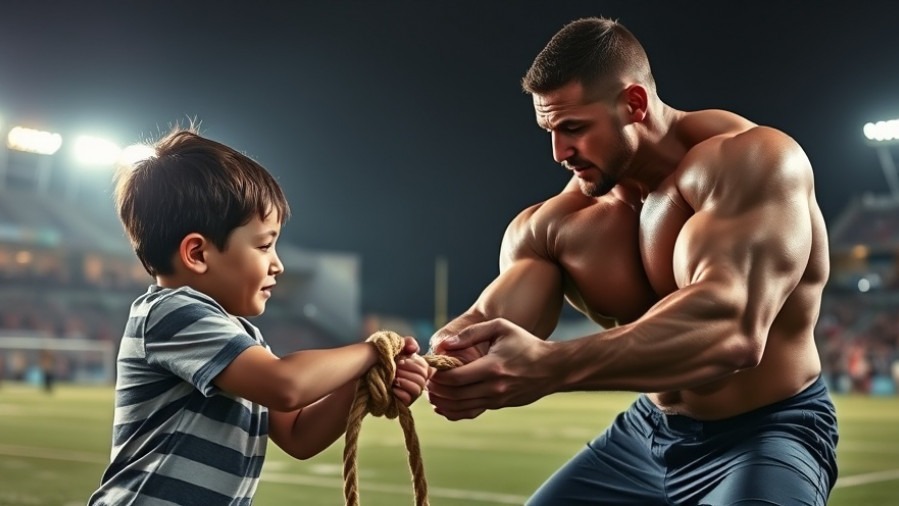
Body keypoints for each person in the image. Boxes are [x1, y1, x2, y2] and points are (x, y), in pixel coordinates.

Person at [427, 16, 838, 505]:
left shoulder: (750, 161)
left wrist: (551, 367)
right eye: (549, 130)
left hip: (766, 432)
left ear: (634, 103)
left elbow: (732, 332)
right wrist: (442, 355)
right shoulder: (560, 223)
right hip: (646, 435)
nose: (559, 152)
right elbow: (489, 322)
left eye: (574, 128)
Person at [88, 127, 431, 505]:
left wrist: (365, 381)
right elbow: (286, 385)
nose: (278, 265)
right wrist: (370, 352)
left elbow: (299, 435)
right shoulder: (170, 313)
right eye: (264, 245)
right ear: (198, 254)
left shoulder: (242, 335)